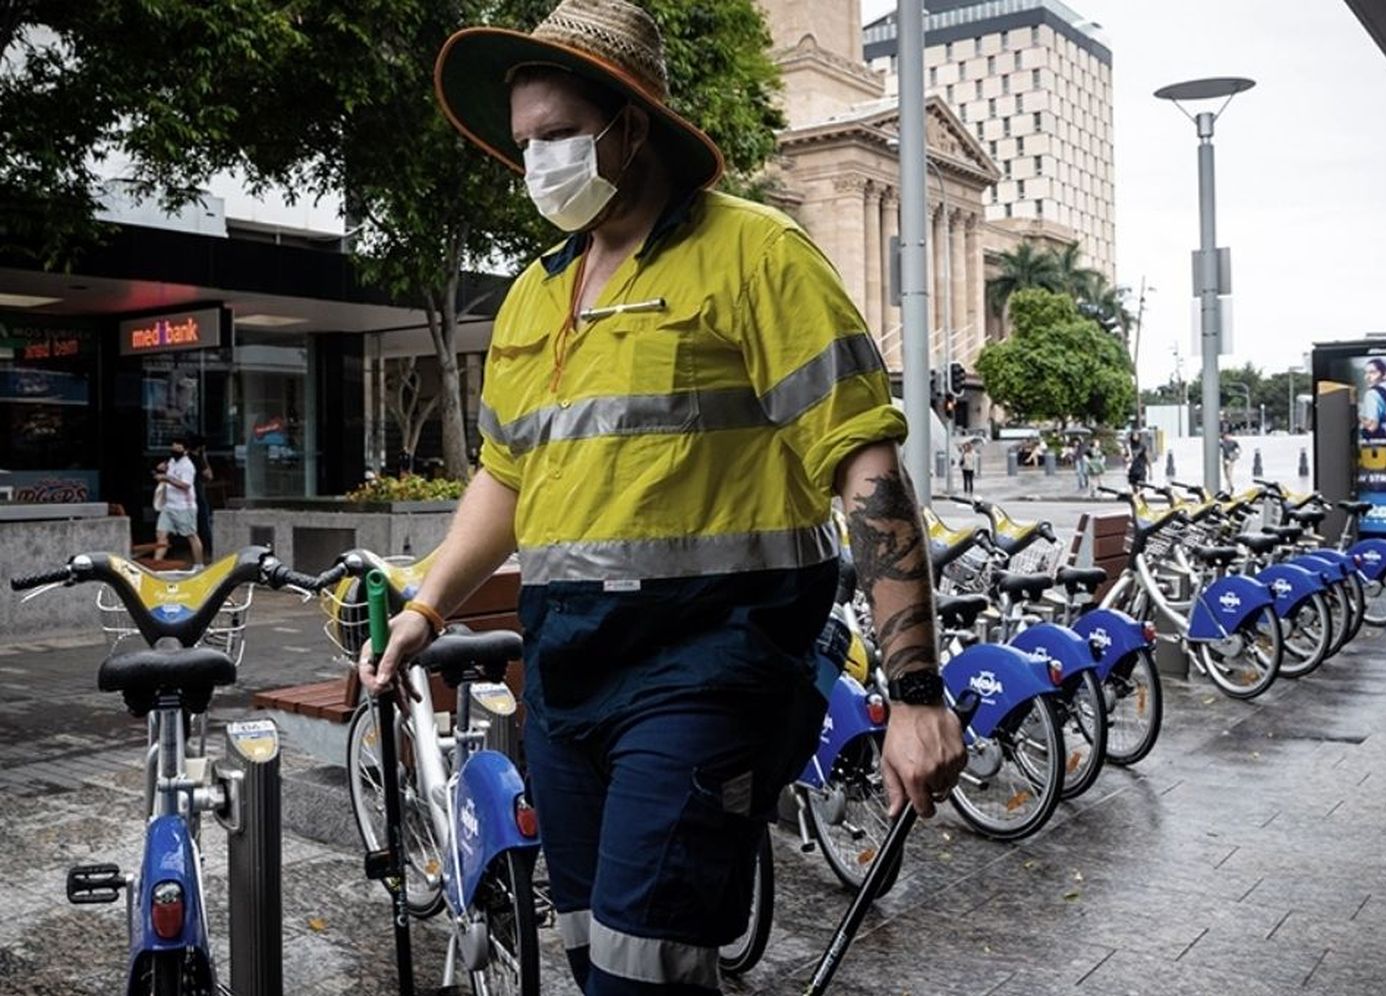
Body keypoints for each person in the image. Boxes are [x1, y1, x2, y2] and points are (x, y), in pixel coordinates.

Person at [364, 4, 966, 993]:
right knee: (592, 952)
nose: (537, 164)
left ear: (630, 126)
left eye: (558, 135)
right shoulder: (533, 295)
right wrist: (427, 607)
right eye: (525, 145)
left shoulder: (758, 255)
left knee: (645, 971)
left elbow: (868, 470)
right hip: (563, 679)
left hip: (709, 663)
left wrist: (914, 695)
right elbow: (505, 476)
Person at [152, 435, 203, 568]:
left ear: (185, 451)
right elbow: (164, 468)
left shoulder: (188, 466)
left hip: (184, 507)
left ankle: (199, 564)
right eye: (173, 448)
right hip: (169, 506)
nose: (174, 451)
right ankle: (156, 565)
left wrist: (167, 478)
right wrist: (161, 469)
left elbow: (185, 485)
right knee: (161, 534)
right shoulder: (172, 461)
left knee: (191, 535)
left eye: (178, 449)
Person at [187, 434, 215, 560]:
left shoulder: (184, 458)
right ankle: (209, 548)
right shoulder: (197, 459)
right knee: (204, 522)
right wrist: (204, 459)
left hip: (185, 497)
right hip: (196, 493)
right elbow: (208, 475)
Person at [1220, 427, 1242, 492]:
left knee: (1229, 473)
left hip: (1231, 459)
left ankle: (1230, 486)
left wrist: (1236, 454)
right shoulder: (1223, 443)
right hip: (1225, 458)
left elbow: (1239, 449)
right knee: (1226, 474)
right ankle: (1229, 485)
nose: (1226, 437)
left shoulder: (1233, 442)